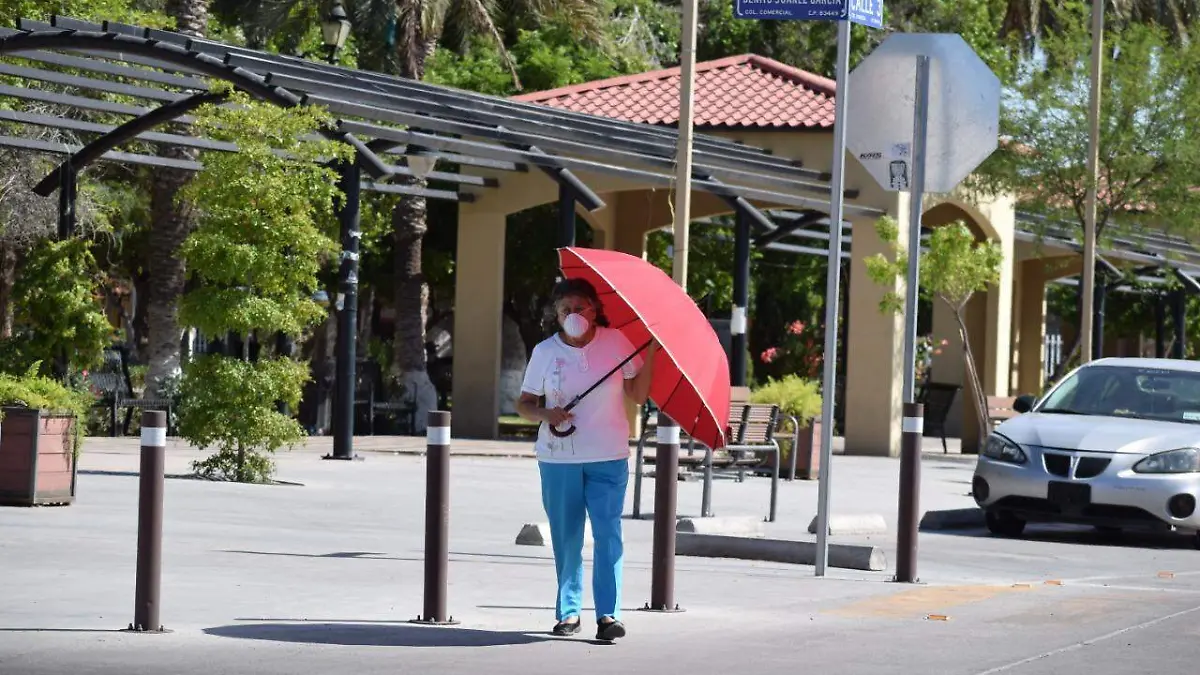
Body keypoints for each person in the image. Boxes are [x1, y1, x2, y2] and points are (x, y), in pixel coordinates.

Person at [515, 277, 657, 641]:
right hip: (558, 458)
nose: (572, 315)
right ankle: (569, 612)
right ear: (556, 315)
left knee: (608, 533)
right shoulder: (545, 351)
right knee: (567, 537)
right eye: (565, 310)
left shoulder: (616, 342)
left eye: (579, 308)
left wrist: (653, 352)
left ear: (594, 311)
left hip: (609, 455)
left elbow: (638, 394)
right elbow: (524, 404)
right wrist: (546, 413)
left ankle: (609, 614)